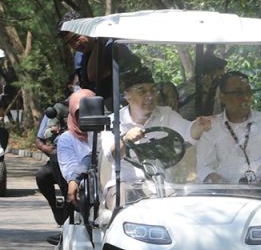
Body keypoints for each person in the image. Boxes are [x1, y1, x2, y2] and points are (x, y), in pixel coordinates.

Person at [103, 67, 209, 204]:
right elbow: (110, 155)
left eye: (153, 90)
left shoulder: (166, 115)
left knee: (191, 203)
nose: (150, 96)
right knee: (121, 202)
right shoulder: (114, 121)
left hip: (162, 184)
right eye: (142, 91)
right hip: (126, 184)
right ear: (127, 95)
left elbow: (188, 133)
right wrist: (125, 140)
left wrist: (199, 126)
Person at [196, 71, 261, 185]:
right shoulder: (211, 128)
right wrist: (231, 190)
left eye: (248, 92)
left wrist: (258, 189)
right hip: (224, 195)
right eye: (238, 93)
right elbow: (204, 169)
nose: (246, 97)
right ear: (222, 97)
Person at [58, 10, 140, 98]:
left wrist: (100, 39)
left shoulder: (112, 46)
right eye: (70, 42)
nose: (75, 44)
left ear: (87, 27)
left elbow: (93, 75)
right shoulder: (80, 57)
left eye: (77, 37)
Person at [56, 89, 96, 216]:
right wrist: (75, 180)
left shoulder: (106, 133)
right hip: (86, 192)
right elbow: (70, 170)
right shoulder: (66, 139)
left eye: (89, 110)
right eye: (80, 112)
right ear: (73, 113)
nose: (85, 116)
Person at [34, 101, 67, 226]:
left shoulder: (101, 105)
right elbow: (40, 139)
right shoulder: (58, 109)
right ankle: (57, 207)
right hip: (60, 157)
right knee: (43, 176)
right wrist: (47, 148)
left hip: (87, 156)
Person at [178, 53, 226, 119]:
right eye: (218, 77)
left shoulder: (181, 87)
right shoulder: (199, 94)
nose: (218, 82)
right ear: (207, 76)